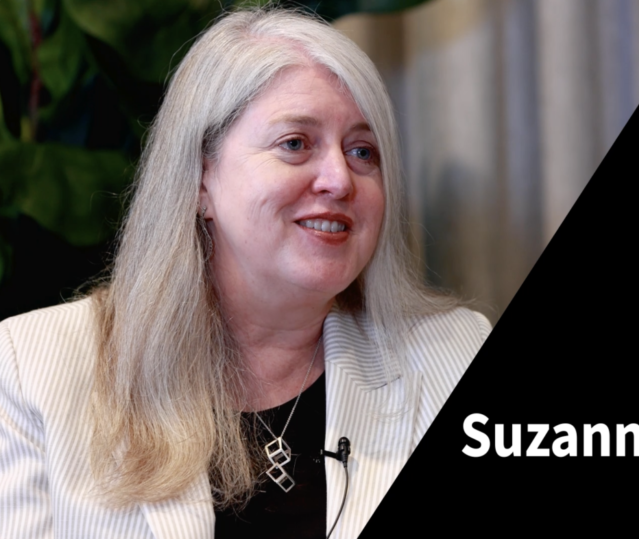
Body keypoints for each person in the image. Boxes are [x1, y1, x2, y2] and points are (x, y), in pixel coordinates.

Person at [0, 7, 489, 539]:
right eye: (295, 143)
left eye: (362, 152)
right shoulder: (30, 368)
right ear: (201, 178)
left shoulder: (450, 355)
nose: (340, 179)